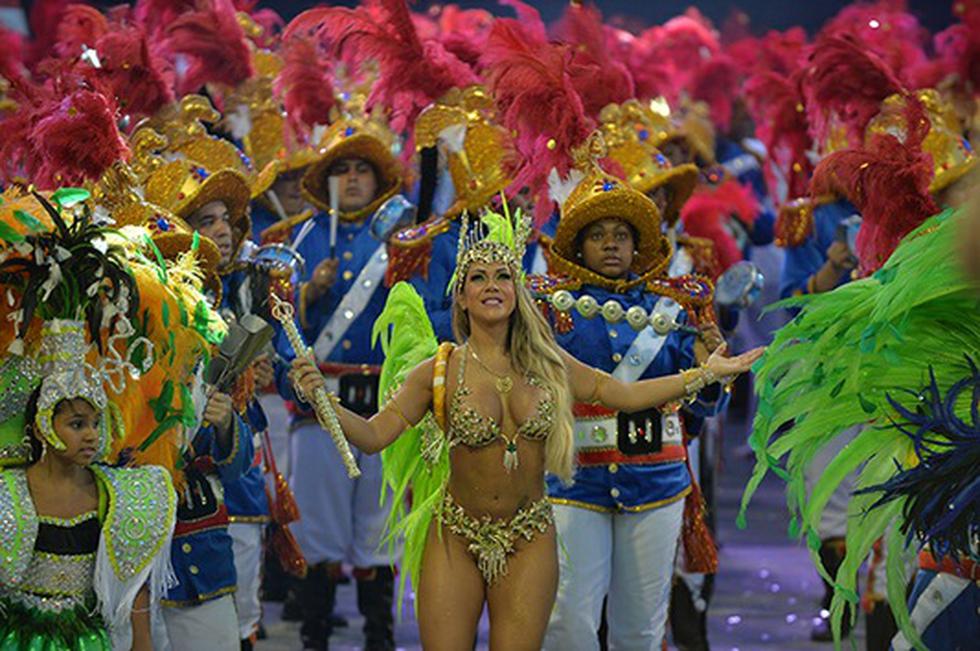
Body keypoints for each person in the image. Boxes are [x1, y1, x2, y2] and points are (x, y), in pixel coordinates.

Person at [287, 204, 763, 651]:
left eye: (503, 277)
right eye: (478, 277)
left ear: (517, 292)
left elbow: (625, 396)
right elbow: (373, 436)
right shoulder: (439, 369)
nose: (492, 286)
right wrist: (322, 400)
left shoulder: (550, 362)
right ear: (462, 295)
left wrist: (704, 374)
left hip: (529, 535)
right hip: (454, 535)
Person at [0, 192, 176, 651]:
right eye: (77, 423)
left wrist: (141, 642)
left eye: (96, 423)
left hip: (88, 640)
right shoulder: (8, 492)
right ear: (42, 423)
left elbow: (133, 580)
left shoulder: (118, 491)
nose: (92, 435)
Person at [281, 114, 406, 651]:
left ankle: (379, 637)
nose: (354, 178)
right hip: (321, 405)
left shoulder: (404, 238)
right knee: (319, 533)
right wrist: (309, 291)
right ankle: (315, 636)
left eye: (364, 170)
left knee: (380, 533)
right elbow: (279, 324)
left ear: (380, 181)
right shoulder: (302, 240)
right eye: (343, 169)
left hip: (383, 405)